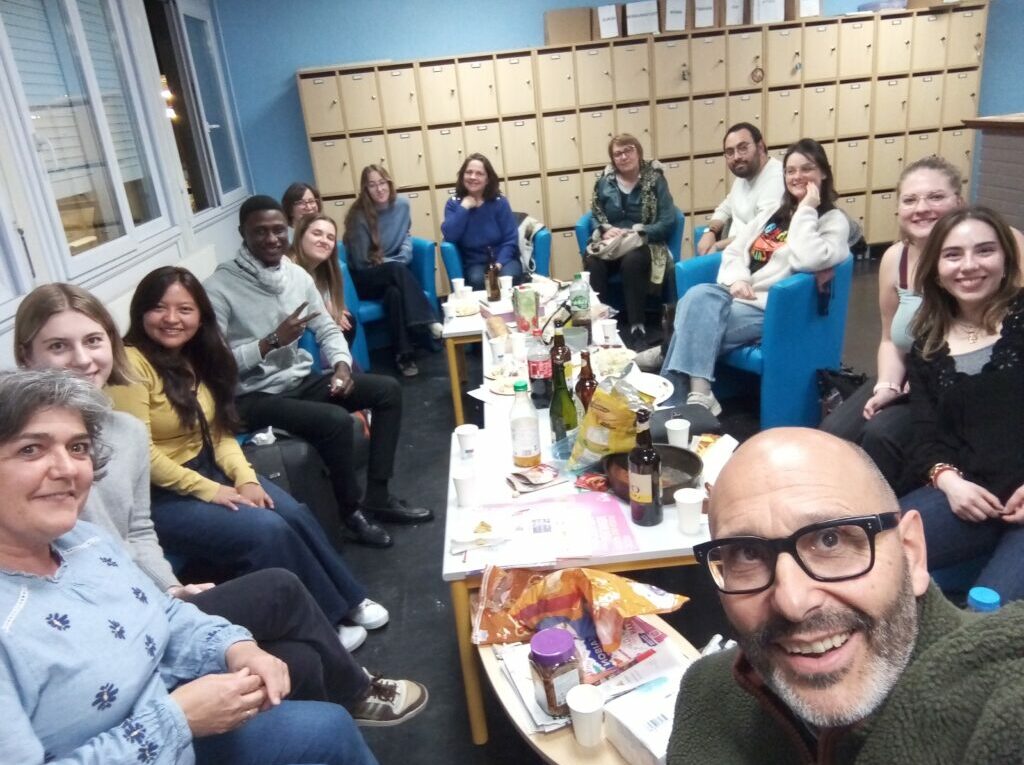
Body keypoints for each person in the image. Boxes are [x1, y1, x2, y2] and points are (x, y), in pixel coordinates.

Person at [13, 283, 429, 725]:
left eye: (93, 341)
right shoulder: (24, 456)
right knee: (269, 543)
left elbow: (137, 528)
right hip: (107, 617)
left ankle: (344, 628)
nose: (81, 359)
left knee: (292, 559)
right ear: (26, 357)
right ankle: (346, 678)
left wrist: (171, 587)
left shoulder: (124, 430)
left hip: (146, 597)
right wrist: (209, 493)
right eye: (58, 346)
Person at [0, 368, 380, 765]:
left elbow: (163, 614)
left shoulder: (84, 541)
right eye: (31, 450)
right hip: (158, 735)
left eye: (77, 448)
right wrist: (177, 719)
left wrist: (236, 647)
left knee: (316, 702)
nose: (66, 469)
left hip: (165, 715)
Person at [667, 428, 1024, 764]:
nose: (793, 601)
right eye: (747, 553)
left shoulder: (1002, 699)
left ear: (911, 553)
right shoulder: (707, 694)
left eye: (830, 540)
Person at [106, 266, 391, 642]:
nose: (172, 319)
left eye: (185, 310)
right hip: (162, 495)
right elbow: (142, 454)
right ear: (141, 312)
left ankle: (349, 599)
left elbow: (221, 431)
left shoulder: (197, 357)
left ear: (200, 316)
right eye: (160, 308)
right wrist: (213, 490)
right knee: (267, 529)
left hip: (210, 470)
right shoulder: (130, 367)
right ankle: (322, 622)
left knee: (292, 512)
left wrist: (246, 479)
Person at [204, 195, 433, 549]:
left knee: (387, 391)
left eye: (278, 230)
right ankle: (350, 513)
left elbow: (327, 328)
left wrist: (342, 366)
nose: (271, 239)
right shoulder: (219, 287)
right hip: (251, 395)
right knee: (336, 421)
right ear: (242, 234)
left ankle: (379, 494)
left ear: (288, 231)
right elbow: (215, 363)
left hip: (297, 380)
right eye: (259, 231)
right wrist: (269, 343)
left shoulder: (295, 275)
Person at [821, 158, 1024, 492]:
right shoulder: (895, 260)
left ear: (958, 201)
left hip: (966, 381)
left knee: (881, 435)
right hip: (908, 373)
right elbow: (889, 339)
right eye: (910, 200)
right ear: (898, 209)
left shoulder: (1001, 244)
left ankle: (893, 511)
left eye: (935, 197)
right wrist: (886, 384)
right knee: (834, 432)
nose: (922, 208)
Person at [643, 138, 849, 415]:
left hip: (770, 309)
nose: (797, 176)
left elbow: (808, 258)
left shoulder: (832, 221)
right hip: (736, 295)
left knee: (691, 325)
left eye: (806, 169)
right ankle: (699, 397)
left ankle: (683, 396)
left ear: (823, 172)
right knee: (697, 295)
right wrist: (738, 279)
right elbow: (735, 250)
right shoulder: (775, 213)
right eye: (790, 171)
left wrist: (807, 209)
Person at [898, 206, 1024, 601]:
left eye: (984, 251)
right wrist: (951, 483)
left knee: (987, 617)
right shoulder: (927, 346)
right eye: (953, 255)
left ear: (1005, 259)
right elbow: (926, 436)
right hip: (971, 500)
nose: (969, 266)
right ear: (936, 269)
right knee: (873, 555)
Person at [342, 165, 443, 378]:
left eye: (382, 182)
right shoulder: (358, 216)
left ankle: (404, 356)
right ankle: (429, 320)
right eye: (372, 185)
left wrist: (402, 255)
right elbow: (361, 262)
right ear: (365, 189)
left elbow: (406, 234)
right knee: (396, 270)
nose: (379, 189)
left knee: (394, 294)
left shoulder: (402, 205)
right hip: (365, 277)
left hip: (393, 273)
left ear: (389, 183)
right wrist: (394, 262)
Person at [585, 133, 676, 350]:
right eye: (618, 154)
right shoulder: (604, 182)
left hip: (644, 244)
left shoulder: (655, 180)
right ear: (613, 159)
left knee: (632, 262)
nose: (624, 157)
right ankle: (601, 325)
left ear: (638, 152)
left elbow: (668, 220)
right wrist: (604, 229)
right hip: (613, 245)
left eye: (628, 150)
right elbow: (594, 214)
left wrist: (641, 231)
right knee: (592, 263)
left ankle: (637, 326)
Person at [696, 122, 784, 256]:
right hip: (732, 254)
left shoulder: (776, 179)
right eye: (729, 152)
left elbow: (761, 231)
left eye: (743, 148)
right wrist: (710, 232)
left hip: (753, 258)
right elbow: (725, 208)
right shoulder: (743, 177)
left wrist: (718, 246)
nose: (736, 157)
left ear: (760, 147)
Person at [440, 152, 522, 291]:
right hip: (475, 263)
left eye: (479, 173)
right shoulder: (454, 204)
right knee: (477, 280)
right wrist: (464, 208)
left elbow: (510, 239)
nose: (473, 177)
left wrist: (499, 264)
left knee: (509, 277)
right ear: (462, 176)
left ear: (488, 179)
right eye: (469, 172)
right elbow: (450, 236)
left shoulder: (499, 202)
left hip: (503, 259)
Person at [287, 209, 359, 351]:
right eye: (317, 234)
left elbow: (325, 300)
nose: (324, 241)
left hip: (315, 326)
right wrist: (326, 314)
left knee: (347, 319)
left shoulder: (320, 270)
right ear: (301, 236)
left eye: (330, 237)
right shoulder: (288, 269)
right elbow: (291, 313)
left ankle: (339, 366)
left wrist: (330, 309)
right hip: (288, 344)